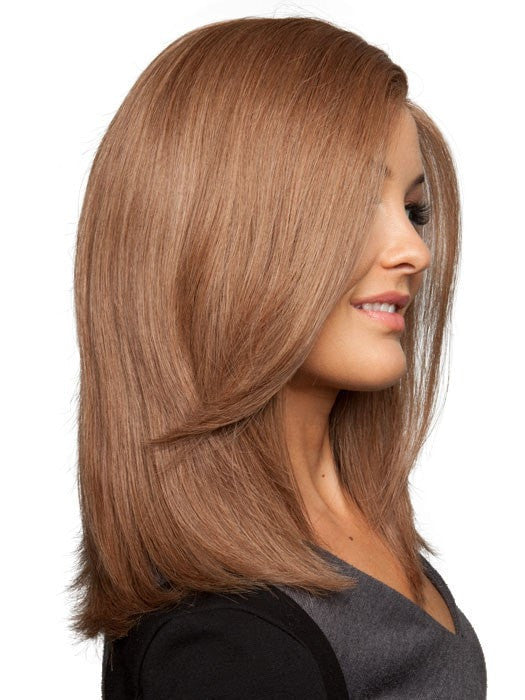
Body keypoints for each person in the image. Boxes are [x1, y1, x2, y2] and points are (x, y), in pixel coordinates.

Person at [69, 15, 487, 698]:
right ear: (217, 240)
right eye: (354, 203)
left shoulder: (346, 521)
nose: (415, 251)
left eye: (413, 210)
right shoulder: (226, 648)